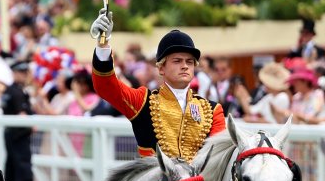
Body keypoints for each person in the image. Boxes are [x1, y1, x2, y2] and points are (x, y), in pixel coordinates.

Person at [89, 12, 225, 162]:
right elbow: (106, 86)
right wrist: (103, 45)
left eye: (190, 62)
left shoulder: (213, 110)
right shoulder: (143, 101)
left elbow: (218, 159)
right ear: (161, 68)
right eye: (177, 61)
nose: (185, 66)